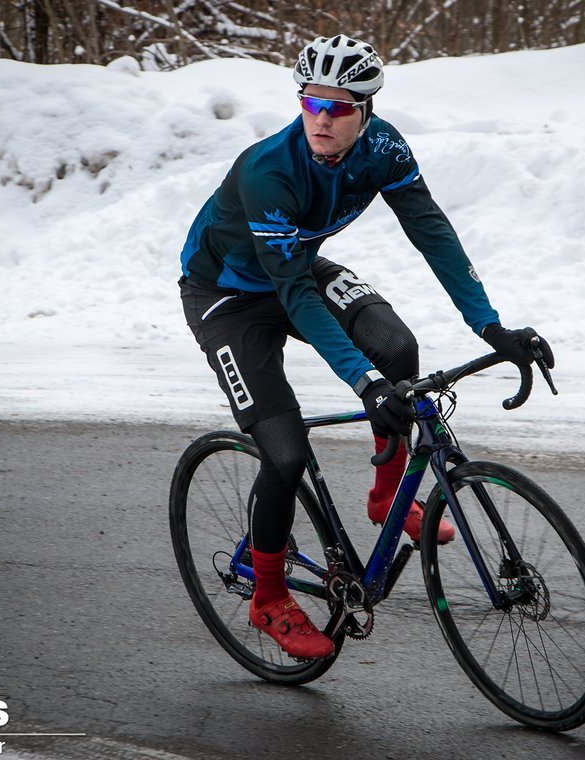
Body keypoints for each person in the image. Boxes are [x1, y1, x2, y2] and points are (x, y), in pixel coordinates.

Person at [178, 34, 554, 660]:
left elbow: (431, 229)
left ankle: (386, 497)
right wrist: (363, 384)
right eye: (311, 102)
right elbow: (294, 293)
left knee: (398, 350)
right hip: (227, 297)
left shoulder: (383, 149)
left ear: (366, 108)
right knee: (286, 451)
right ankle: (269, 596)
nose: (322, 117)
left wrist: (489, 326)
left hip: (297, 265)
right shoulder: (267, 170)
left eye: (339, 105)